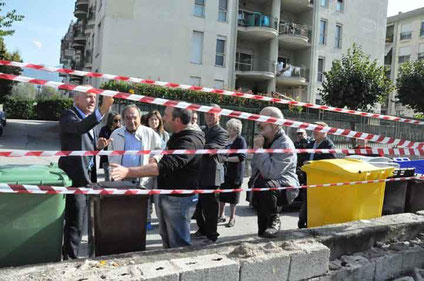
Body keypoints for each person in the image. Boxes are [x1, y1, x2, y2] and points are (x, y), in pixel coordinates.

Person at [110, 107, 205, 248]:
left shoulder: (189, 141)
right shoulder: (178, 135)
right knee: (168, 239)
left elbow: (162, 167)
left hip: (178, 200)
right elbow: (162, 155)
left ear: (177, 120)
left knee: (178, 243)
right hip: (169, 196)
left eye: (166, 115)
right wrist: (155, 158)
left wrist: (127, 171)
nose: (163, 118)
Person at [59, 92, 114, 260]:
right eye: (88, 96)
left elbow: (84, 147)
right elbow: (79, 128)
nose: (93, 100)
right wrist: (102, 110)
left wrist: (97, 148)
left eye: (95, 98)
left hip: (87, 179)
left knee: (82, 221)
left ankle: (72, 255)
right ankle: (69, 259)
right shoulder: (69, 115)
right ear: (76, 99)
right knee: (75, 223)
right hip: (75, 179)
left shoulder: (91, 120)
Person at [108, 104, 164, 230]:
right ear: (123, 119)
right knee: (122, 206)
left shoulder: (149, 132)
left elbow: (161, 148)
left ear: (140, 118)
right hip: (122, 178)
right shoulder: (115, 134)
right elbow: (110, 154)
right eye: (127, 118)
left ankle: (141, 228)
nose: (131, 121)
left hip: (142, 177)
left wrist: (155, 158)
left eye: (134, 118)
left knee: (142, 206)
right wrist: (114, 170)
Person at [249, 106, 299, 238]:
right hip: (263, 188)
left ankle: (274, 219)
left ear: (275, 125)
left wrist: (259, 150)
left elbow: (270, 173)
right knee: (262, 230)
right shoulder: (265, 140)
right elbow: (254, 167)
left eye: (263, 120)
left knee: (265, 185)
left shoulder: (285, 144)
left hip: (284, 187)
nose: (258, 123)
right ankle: (264, 233)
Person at [193, 104, 228, 243]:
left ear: (219, 116)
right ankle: (202, 229)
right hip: (199, 173)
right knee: (198, 206)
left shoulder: (222, 133)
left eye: (212, 114)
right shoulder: (201, 130)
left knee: (211, 207)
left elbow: (211, 149)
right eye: (207, 114)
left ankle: (212, 234)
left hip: (212, 174)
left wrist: (196, 146)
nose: (208, 116)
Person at [298, 121, 336, 229]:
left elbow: (331, 160)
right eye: (314, 129)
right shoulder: (310, 144)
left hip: (320, 180)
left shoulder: (329, 145)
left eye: (318, 129)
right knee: (307, 201)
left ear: (325, 132)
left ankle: (315, 224)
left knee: (318, 203)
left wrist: (314, 164)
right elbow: (302, 157)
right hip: (308, 178)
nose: (315, 132)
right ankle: (303, 223)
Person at [218, 118, 247, 228]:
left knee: (233, 196)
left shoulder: (240, 140)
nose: (228, 130)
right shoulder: (225, 139)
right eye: (228, 127)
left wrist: (226, 159)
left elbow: (241, 157)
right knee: (222, 194)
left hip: (235, 172)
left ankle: (232, 217)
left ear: (236, 130)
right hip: (224, 172)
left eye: (230, 128)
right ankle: (221, 215)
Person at [99, 112, 121, 180]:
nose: (118, 122)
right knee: (107, 176)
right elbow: (100, 142)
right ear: (111, 120)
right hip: (106, 156)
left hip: (117, 157)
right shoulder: (104, 129)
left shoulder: (121, 130)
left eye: (119, 120)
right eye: (115, 120)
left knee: (116, 176)